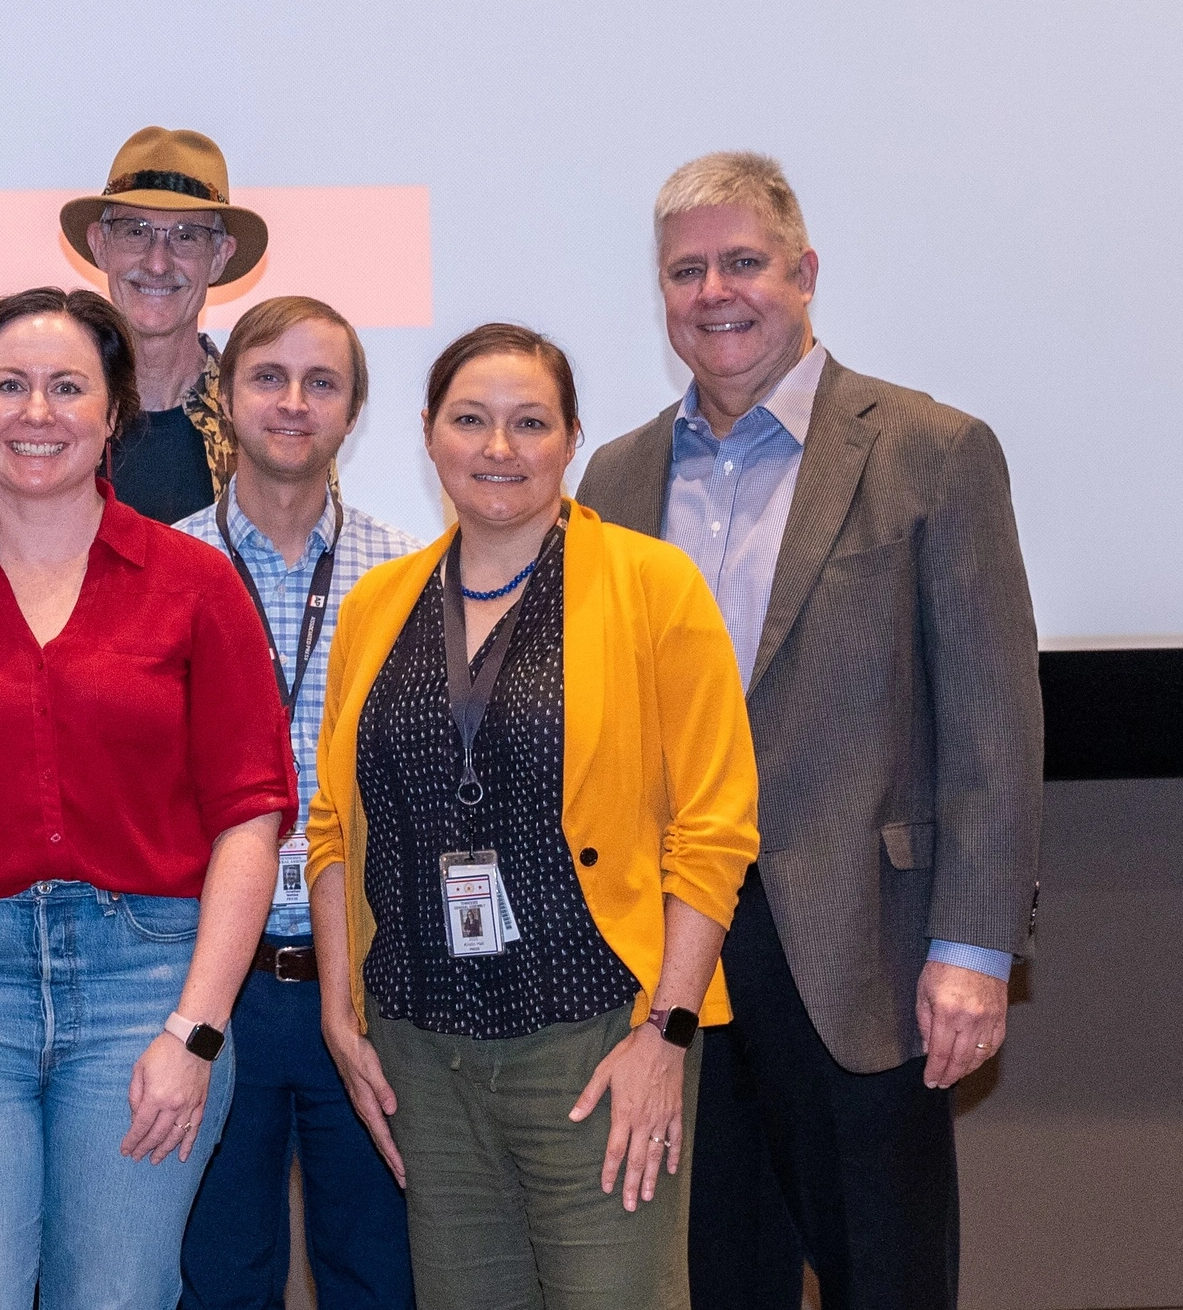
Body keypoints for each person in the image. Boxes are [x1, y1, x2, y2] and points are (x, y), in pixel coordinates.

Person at [573, 154, 1043, 1310]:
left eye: (743, 261)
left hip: (862, 954)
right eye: (686, 270)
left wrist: (974, 947)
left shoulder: (931, 450)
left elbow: (993, 719)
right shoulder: (614, 476)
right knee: (709, 1274)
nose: (714, 291)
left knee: (885, 1276)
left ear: (804, 272)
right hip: (673, 954)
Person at [0, 286, 289, 1310]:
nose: (37, 410)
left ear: (113, 411)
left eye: (68, 385)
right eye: (10, 384)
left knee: (118, 1298)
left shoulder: (196, 583)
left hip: (146, 984)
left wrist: (193, 1031)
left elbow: (250, 817)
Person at [305, 324, 759, 1310]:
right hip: (422, 1048)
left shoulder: (652, 586)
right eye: (470, 419)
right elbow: (334, 824)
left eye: (528, 422)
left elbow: (714, 824)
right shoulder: (377, 603)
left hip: (597, 1041)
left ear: (570, 438)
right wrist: (342, 1012)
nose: (497, 447)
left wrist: (666, 1035)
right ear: (427, 433)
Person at [168, 297, 421, 1310]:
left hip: (362, 984)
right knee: (217, 1279)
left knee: (382, 1275)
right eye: (268, 376)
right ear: (224, 397)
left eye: (322, 382)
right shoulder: (157, 571)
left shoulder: (408, 576)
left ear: (352, 409)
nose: (292, 401)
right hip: (205, 989)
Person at [4, 127, 266, 524]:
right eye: (135, 232)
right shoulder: (41, 418)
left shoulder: (263, 418)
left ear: (219, 256)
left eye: (187, 236)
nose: (157, 262)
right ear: (100, 244)